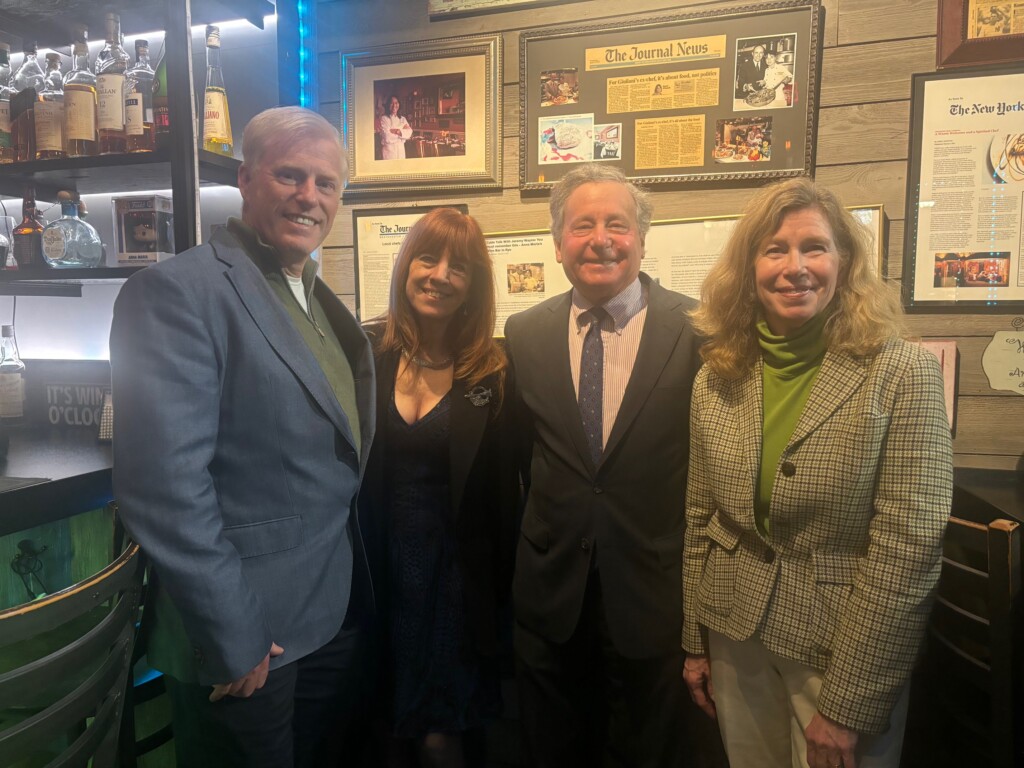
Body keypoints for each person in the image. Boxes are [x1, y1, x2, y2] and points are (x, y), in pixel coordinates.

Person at [110, 106, 376, 768]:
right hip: (244, 641)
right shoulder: (175, 292)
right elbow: (164, 488)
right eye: (291, 175)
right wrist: (234, 636)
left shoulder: (315, 293)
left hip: (327, 616)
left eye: (326, 183)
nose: (309, 196)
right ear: (246, 178)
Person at [682, 177, 953, 768]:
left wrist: (850, 703)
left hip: (839, 649)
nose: (795, 267)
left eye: (815, 247)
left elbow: (909, 549)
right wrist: (693, 639)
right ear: (748, 267)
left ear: (845, 261)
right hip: (734, 634)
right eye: (774, 248)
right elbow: (700, 516)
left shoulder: (902, 372)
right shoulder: (718, 374)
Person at [504, 164, 717, 767]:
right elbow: (523, 459)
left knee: (650, 753)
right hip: (550, 600)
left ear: (643, 239)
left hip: (656, 598)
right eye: (582, 225)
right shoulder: (524, 333)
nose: (600, 239)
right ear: (557, 243)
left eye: (617, 225)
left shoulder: (700, 330)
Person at [360, 208, 517, 768]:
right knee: (380, 729)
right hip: (377, 573)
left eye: (461, 268)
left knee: (442, 734)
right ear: (406, 266)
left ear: (473, 288)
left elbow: (507, 500)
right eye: (428, 257)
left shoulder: (493, 371)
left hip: (455, 582)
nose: (441, 275)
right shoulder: (366, 354)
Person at [379, 94, 413, 160]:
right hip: (389, 153)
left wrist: (397, 131)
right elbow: (387, 137)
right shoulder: (384, 118)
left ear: (399, 104)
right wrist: (402, 135)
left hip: (401, 152)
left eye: (396, 103)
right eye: (391, 103)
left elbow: (410, 132)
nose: (394, 105)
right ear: (388, 105)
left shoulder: (403, 119)